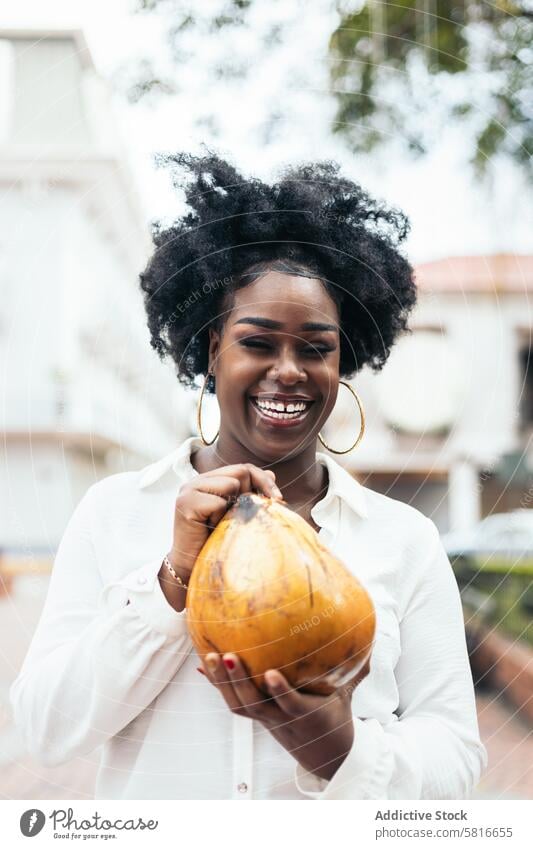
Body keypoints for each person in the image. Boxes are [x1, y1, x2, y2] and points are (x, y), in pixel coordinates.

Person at [10, 151, 487, 800]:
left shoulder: (402, 538)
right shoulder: (114, 510)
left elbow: (455, 757)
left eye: (315, 347)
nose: (288, 369)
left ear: (343, 361)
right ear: (212, 349)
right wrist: (170, 581)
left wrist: (342, 750)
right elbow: (44, 729)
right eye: (258, 342)